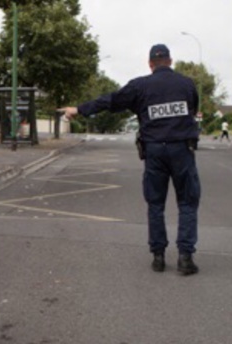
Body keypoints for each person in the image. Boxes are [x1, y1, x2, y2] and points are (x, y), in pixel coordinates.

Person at [61, 44, 201, 275]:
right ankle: (185, 258)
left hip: (154, 151)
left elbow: (111, 101)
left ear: (150, 64)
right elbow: (193, 110)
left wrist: (80, 109)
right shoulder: (187, 84)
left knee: (155, 204)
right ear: (170, 61)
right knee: (187, 203)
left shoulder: (140, 86)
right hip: (182, 150)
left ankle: (158, 256)